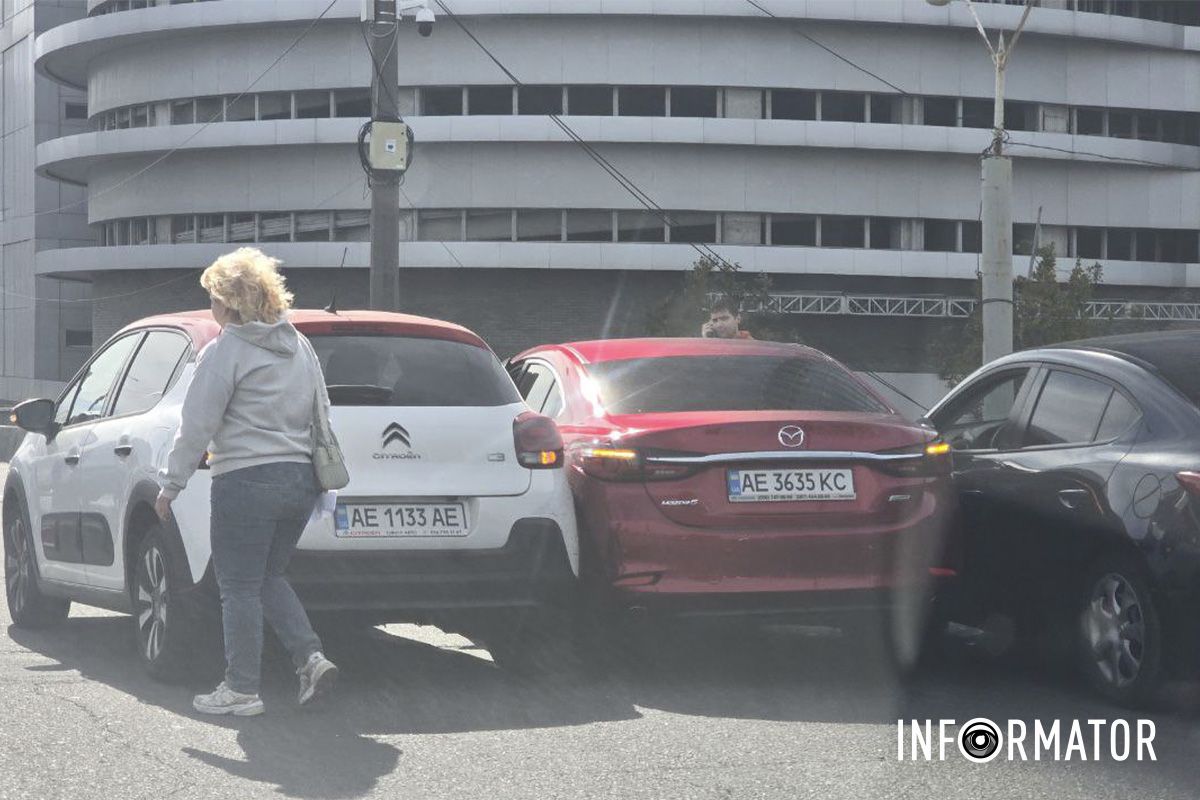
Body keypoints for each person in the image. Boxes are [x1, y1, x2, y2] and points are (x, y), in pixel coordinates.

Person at [154, 246, 338, 717]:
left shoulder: (226, 349)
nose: (211, 307)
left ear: (230, 303)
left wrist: (171, 484)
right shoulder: (299, 345)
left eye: (213, 298)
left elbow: (197, 422)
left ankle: (241, 688)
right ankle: (310, 658)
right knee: (267, 576)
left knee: (236, 586)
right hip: (300, 479)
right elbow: (322, 411)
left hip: (246, 479)